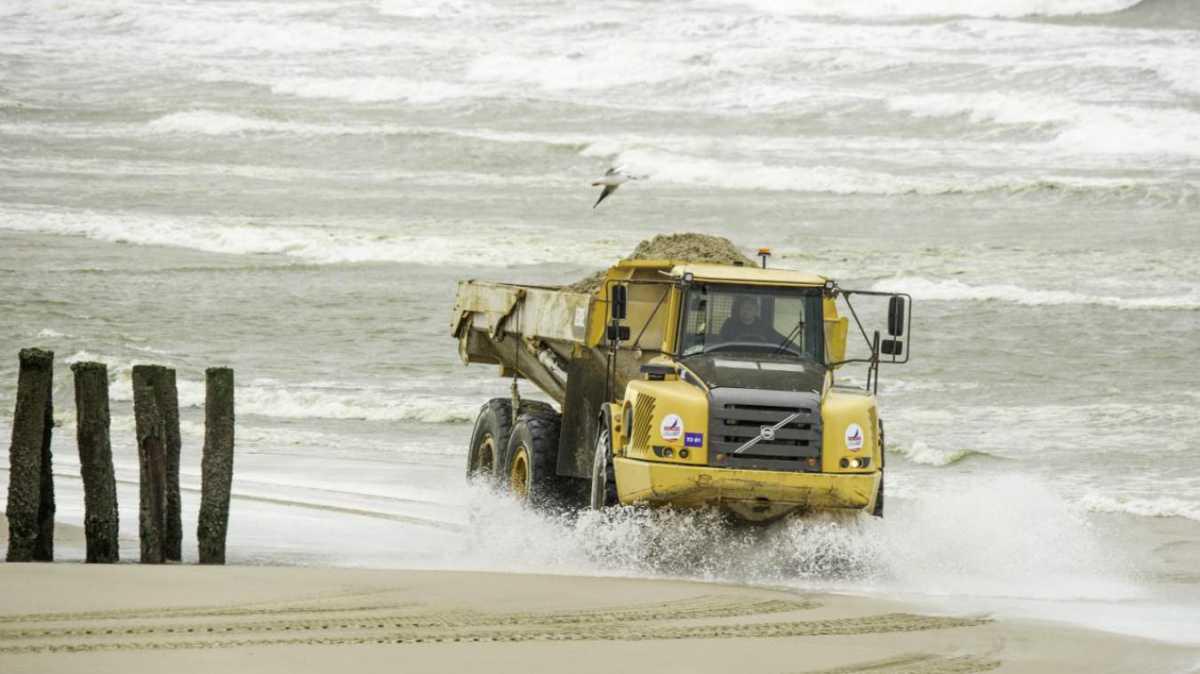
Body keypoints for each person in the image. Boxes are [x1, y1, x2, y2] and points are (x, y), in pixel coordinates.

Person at [718, 295, 787, 344]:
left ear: (756, 311)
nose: (746, 311)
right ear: (739, 309)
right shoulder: (729, 324)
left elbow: (781, 341)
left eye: (749, 309)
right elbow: (721, 343)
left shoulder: (764, 327)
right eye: (744, 308)